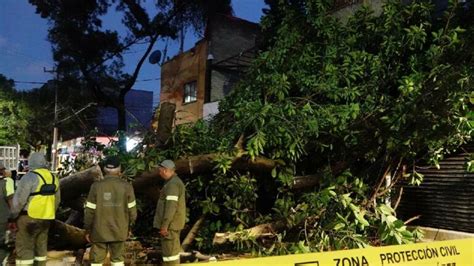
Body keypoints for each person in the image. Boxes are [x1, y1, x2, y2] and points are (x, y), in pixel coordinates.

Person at [84, 156, 137, 266]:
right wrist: (130, 227)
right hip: (120, 230)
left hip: (99, 231)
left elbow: (89, 211)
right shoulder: (127, 187)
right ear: (120, 169)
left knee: (96, 261)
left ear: (104, 169)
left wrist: (88, 229)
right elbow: (133, 212)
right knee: (117, 260)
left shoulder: (96, 186)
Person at [10, 152, 60, 266]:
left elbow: (19, 201)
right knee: (41, 249)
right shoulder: (53, 178)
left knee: (25, 249)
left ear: (31, 162)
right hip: (46, 219)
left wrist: (12, 217)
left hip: (28, 218)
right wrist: (49, 213)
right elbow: (57, 200)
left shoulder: (29, 177)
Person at [153, 160, 186, 265]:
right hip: (172, 225)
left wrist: (165, 225)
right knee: (170, 253)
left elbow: (171, 207)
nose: (159, 173)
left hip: (170, 226)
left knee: (170, 254)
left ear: (165, 170)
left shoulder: (172, 185)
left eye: (160, 170)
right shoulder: (172, 182)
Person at [0, 163, 14, 265]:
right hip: (2, 218)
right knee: (2, 243)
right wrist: (14, 217)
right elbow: (10, 200)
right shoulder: (7, 182)